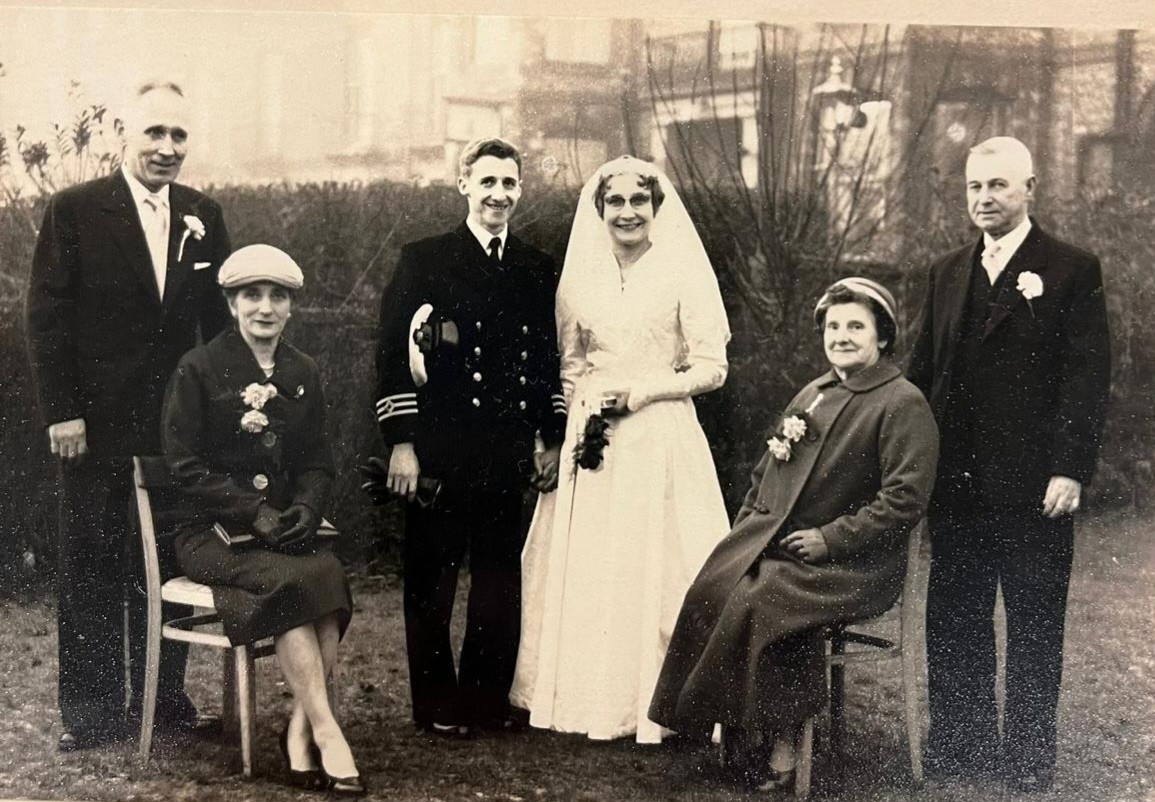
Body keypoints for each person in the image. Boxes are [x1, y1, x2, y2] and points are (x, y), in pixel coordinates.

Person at [650, 278, 939, 789]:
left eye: (856, 326)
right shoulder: (814, 393)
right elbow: (765, 477)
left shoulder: (901, 402)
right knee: (715, 585)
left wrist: (830, 539)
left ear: (883, 337)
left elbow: (904, 501)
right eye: (833, 326)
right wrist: (746, 536)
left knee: (767, 599)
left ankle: (783, 747)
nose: (842, 336)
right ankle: (736, 732)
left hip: (855, 562)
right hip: (788, 547)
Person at [25, 80, 231, 751]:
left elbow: (217, 328)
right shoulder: (75, 210)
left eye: (178, 136)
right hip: (92, 426)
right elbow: (47, 319)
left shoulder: (203, 215)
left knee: (164, 568)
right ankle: (89, 714)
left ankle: (162, 700)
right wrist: (63, 412)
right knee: (91, 563)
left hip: (173, 431)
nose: (167, 148)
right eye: (154, 133)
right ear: (124, 134)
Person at [908, 136, 1111, 793]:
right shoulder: (944, 272)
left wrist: (1069, 469)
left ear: (1030, 189)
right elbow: (920, 376)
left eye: (997, 185)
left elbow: (1086, 378)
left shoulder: (1070, 268)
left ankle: (1026, 760)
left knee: (1032, 623)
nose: (984, 199)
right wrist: (912, 467)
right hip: (955, 484)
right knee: (955, 618)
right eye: (974, 187)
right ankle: (960, 749)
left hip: (1033, 485)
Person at [510, 156, 732, 744]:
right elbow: (570, 364)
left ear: (656, 209)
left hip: (660, 434)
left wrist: (645, 391)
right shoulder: (580, 277)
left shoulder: (681, 272)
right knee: (593, 564)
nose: (627, 212)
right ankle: (590, 700)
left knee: (659, 562)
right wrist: (558, 436)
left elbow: (713, 368)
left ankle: (664, 703)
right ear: (600, 210)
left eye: (640, 201)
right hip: (595, 441)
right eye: (616, 202)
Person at [373, 137, 567, 737]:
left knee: (498, 577)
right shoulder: (425, 257)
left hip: (504, 445)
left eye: (509, 184)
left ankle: (485, 702)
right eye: (487, 183)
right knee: (432, 577)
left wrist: (550, 434)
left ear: (519, 191)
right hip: (437, 444)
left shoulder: (535, 266)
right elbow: (390, 356)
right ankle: (435, 705)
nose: (498, 196)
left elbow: (544, 358)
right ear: (464, 185)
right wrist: (401, 442)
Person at [161, 245, 363, 795]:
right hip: (208, 532)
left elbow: (318, 460)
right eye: (252, 295)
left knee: (327, 574)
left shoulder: (303, 370)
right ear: (231, 303)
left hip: (281, 528)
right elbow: (184, 468)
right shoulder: (199, 368)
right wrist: (256, 511)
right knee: (297, 581)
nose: (265, 307)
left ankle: (298, 729)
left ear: (291, 307)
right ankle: (324, 730)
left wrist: (305, 509)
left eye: (277, 296)